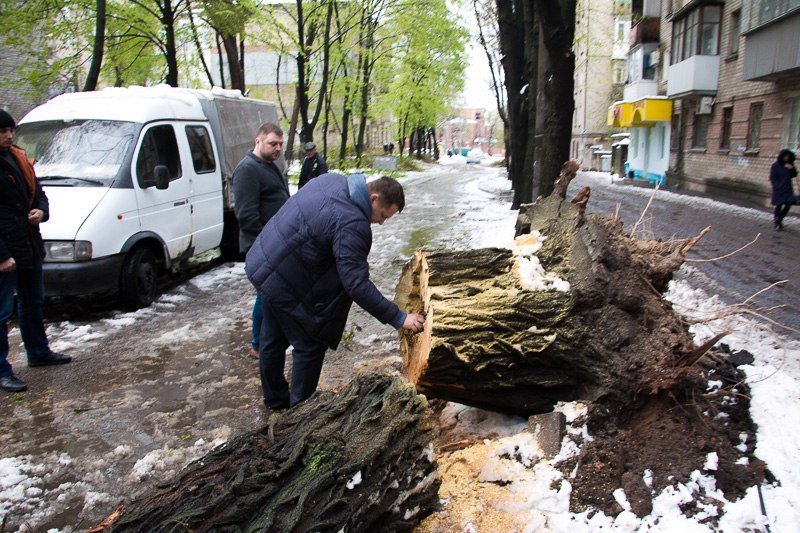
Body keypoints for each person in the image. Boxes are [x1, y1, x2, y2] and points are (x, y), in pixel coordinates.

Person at [245, 173, 425, 409]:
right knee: (309, 346)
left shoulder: (331, 180)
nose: (380, 222)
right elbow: (356, 284)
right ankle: (299, 414)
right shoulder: (353, 223)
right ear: (374, 197)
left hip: (267, 264)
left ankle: (275, 404)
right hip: (286, 281)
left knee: (271, 342)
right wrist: (399, 317)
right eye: (382, 215)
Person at [0, 109, 71, 393]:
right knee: (1, 313)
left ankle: (38, 352)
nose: (8, 135)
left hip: (28, 243)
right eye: (3, 132)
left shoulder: (18, 157)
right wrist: (2, 255)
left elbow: (39, 192)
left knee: (33, 300)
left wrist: (41, 210)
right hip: (6, 250)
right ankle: (2, 370)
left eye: (10, 131)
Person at [232, 123, 290, 359]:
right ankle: (258, 344)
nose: (277, 148)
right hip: (261, 246)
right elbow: (246, 217)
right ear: (258, 141)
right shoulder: (247, 169)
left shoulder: (269, 165)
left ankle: (268, 341)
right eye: (272, 144)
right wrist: (273, 238)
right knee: (267, 294)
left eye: (280, 144)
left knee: (272, 294)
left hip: (276, 243)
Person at [769, 148, 798, 231]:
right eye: (785, 157)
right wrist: (776, 186)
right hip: (778, 189)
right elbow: (772, 177)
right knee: (779, 205)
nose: (786, 158)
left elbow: (794, 174)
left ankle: (779, 218)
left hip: (788, 189)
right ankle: (777, 222)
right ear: (781, 157)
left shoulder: (789, 165)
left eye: (787, 157)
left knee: (788, 204)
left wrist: (791, 168)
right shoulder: (775, 165)